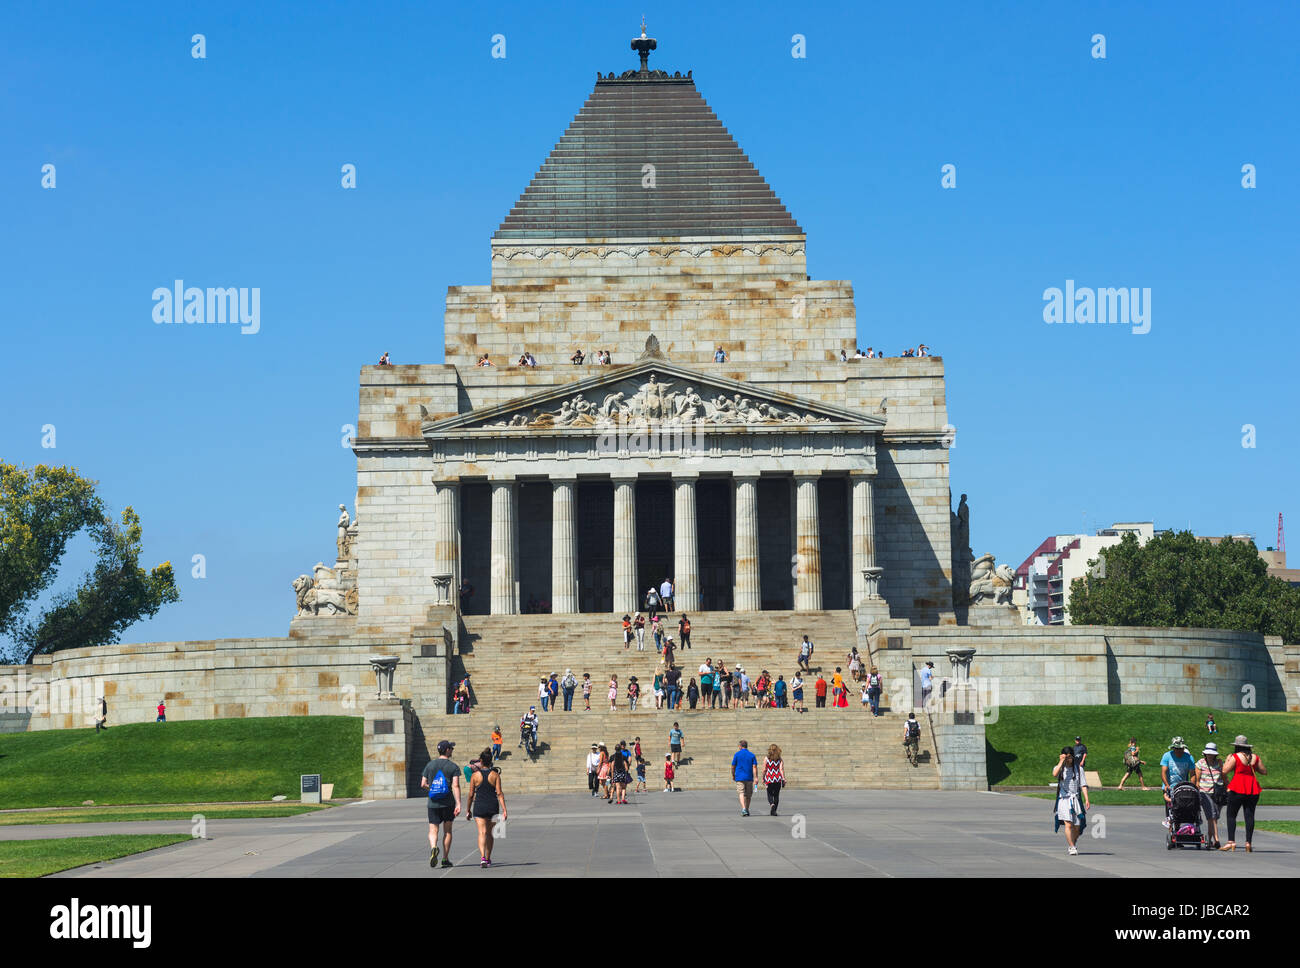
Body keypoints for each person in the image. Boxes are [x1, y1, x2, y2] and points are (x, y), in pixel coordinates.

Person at [1220, 734, 1267, 852]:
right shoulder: (1255, 757)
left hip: (1237, 786)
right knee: (1249, 815)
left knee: (1231, 815)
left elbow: (1225, 771)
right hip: (1252, 788)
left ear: (1236, 746)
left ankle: (1231, 842)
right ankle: (1248, 843)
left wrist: (1227, 760)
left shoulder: (1235, 756)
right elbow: (1264, 771)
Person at [421, 739, 461, 868]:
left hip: (433, 803)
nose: (452, 750)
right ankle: (445, 859)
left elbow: (423, 784)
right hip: (448, 803)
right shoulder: (453, 766)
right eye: (451, 748)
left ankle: (433, 847)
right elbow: (455, 786)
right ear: (447, 750)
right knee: (447, 831)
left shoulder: (430, 765)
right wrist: (458, 803)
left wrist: (432, 789)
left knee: (433, 830)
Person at [466, 749, 505, 868]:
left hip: (480, 805)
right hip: (492, 806)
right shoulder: (495, 775)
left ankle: (482, 857)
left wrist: (468, 809)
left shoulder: (475, 776)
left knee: (482, 832)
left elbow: (471, 794)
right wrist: (504, 810)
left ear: (481, 761)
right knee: (490, 834)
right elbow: (499, 793)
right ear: (491, 761)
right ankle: (488, 858)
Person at [1052, 746, 1090, 856]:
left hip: (1076, 799)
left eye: (1070, 757)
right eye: (1066, 757)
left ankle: (1072, 842)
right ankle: (1072, 847)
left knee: (1077, 826)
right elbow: (1054, 774)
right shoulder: (1059, 768)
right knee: (1068, 824)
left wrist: (1087, 799)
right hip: (1064, 799)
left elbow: (1083, 785)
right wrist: (1061, 761)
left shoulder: (1078, 768)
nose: (1068, 759)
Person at [1160, 736, 1197, 828]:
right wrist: (1167, 785)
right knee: (1171, 812)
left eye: (1181, 749)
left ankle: (1185, 828)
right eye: (1177, 749)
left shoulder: (1189, 757)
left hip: (1183, 787)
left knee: (1184, 809)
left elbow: (1192, 774)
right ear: (1173, 748)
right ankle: (1173, 831)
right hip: (1170, 787)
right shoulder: (1167, 756)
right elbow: (1163, 772)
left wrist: (1192, 786)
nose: (1179, 751)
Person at [1195, 742, 1226, 849]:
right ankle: (1216, 839)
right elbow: (1197, 781)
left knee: (1213, 818)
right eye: (1208, 753)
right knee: (1212, 816)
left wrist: (1228, 788)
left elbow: (1224, 776)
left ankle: (1209, 839)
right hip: (1205, 792)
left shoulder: (1219, 763)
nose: (1210, 755)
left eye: (1211, 754)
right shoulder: (1200, 763)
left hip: (1218, 793)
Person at [731, 740, 759, 817]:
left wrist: (733, 775)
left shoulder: (737, 754)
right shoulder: (752, 755)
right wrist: (756, 777)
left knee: (741, 792)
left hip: (739, 776)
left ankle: (743, 809)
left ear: (740, 746)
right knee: (748, 795)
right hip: (749, 777)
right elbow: (754, 767)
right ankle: (746, 809)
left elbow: (733, 766)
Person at [763, 744, 786, 816]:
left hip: (769, 778)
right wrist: (783, 778)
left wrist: (763, 778)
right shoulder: (779, 759)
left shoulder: (766, 758)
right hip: (777, 778)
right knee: (776, 795)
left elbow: (764, 769)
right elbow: (781, 769)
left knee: (769, 794)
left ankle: (772, 805)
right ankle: (774, 810)